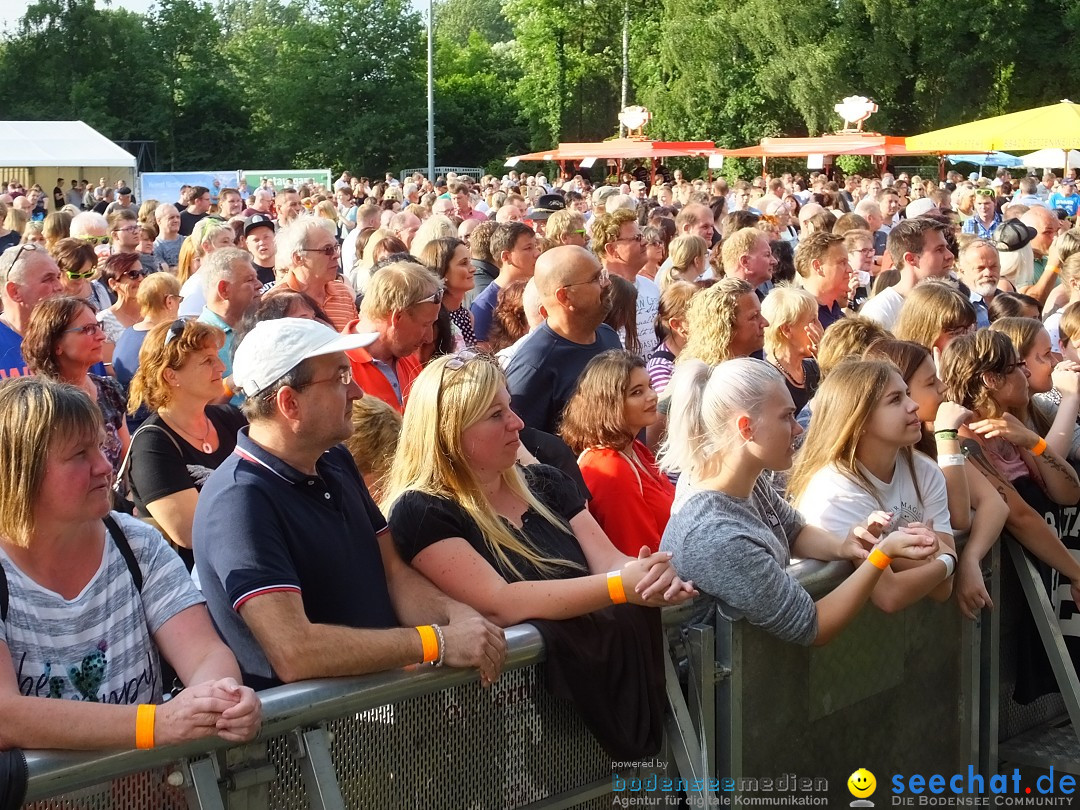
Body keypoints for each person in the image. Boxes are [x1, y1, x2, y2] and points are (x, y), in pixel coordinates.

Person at [193, 318, 508, 689]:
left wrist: (459, 618)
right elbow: (294, 650)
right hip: (308, 740)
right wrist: (436, 642)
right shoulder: (239, 502)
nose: (357, 391)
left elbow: (393, 573)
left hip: (373, 725)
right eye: (341, 377)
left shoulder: (335, 460)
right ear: (289, 402)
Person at [0, 378, 261, 750]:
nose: (105, 466)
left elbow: (204, 652)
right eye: (79, 455)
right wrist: (155, 725)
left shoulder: (135, 542)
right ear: (21, 470)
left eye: (100, 448)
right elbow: (5, 717)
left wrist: (221, 698)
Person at [383, 351, 694, 624]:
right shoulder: (423, 510)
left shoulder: (547, 482)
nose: (517, 423)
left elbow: (608, 561)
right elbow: (499, 604)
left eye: (510, 407)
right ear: (449, 432)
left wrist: (647, 574)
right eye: (495, 415)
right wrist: (618, 586)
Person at [658, 358, 938, 644]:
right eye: (786, 416)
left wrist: (845, 546)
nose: (798, 428)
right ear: (746, 428)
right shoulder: (715, 537)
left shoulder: (741, 478)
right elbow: (813, 625)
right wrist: (881, 555)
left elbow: (794, 531)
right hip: (713, 684)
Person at [787, 359, 958, 611]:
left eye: (908, 394)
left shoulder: (924, 470)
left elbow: (944, 588)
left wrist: (935, 561)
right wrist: (949, 559)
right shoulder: (835, 489)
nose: (914, 406)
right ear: (860, 420)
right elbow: (889, 595)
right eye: (895, 400)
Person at [863, 339, 1011, 618]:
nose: (943, 388)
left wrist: (969, 559)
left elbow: (993, 505)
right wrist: (946, 436)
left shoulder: (925, 450)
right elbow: (960, 516)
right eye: (930, 383)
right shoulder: (930, 441)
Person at [127, 320, 247, 561]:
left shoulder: (230, 418)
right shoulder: (152, 444)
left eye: (217, 358)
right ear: (171, 376)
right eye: (207, 361)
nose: (222, 367)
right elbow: (190, 532)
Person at [558, 350, 674, 555]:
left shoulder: (634, 448)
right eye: (637, 392)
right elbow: (639, 555)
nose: (653, 396)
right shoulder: (609, 468)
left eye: (650, 386)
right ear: (609, 404)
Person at [505, 246, 622, 434]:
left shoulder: (608, 335)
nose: (607, 283)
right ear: (565, 296)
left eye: (603, 274)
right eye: (596, 278)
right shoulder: (534, 366)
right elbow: (521, 442)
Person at [23, 297, 131, 475]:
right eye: (88, 329)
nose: (101, 336)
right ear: (56, 344)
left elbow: (128, 459)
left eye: (98, 326)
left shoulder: (108, 390)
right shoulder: (40, 405)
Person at [344, 261, 442, 413]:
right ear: (398, 317)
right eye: (425, 325)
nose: (429, 338)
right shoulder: (337, 368)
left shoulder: (407, 355)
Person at [113, 273, 181, 429]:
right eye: (179, 300)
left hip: (129, 424)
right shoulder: (164, 341)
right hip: (156, 425)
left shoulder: (128, 333)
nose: (179, 306)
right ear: (169, 301)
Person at [858, 219, 954, 330]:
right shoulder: (879, 311)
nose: (950, 255)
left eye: (946, 248)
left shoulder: (947, 300)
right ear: (911, 259)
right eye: (939, 250)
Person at [592, 209, 661, 358]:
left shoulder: (651, 286)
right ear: (612, 249)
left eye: (641, 236)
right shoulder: (598, 293)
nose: (644, 242)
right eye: (636, 238)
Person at [274, 219, 357, 332]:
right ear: (298, 258)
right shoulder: (276, 303)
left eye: (336, 247)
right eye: (327, 249)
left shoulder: (342, 292)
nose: (336, 255)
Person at [0, 244, 65, 379]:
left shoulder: (74, 336)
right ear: (14, 291)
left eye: (58, 277)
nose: (60, 287)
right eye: (48, 279)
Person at [470, 222, 538, 344]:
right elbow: (482, 355)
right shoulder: (484, 305)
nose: (537, 253)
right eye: (528, 248)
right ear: (506, 257)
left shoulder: (536, 290)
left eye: (535, 246)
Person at [761, 286, 822, 413]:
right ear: (787, 330)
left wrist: (826, 363)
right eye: (813, 320)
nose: (820, 327)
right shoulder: (767, 381)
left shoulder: (815, 368)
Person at [420, 237, 476, 348]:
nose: (473, 268)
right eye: (464, 263)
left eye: (470, 261)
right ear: (443, 271)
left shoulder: (466, 315)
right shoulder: (433, 320)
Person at [893, 280, 977, 354]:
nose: (968, 339)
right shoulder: (901, 369)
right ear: (925, 333)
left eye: (971, 329)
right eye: (957, 332)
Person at [95, 252, 145, 352]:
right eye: (133, 274)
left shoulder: (155, 310)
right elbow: (109, 365)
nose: (141, 278)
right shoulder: (104, 321)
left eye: (143, 273)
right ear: (113, 283)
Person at [51, 236, 111, 312]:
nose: (81, 280)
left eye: (87, 274)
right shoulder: (51, 298)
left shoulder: (98, 291)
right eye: (75, 275)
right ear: (59, 270)